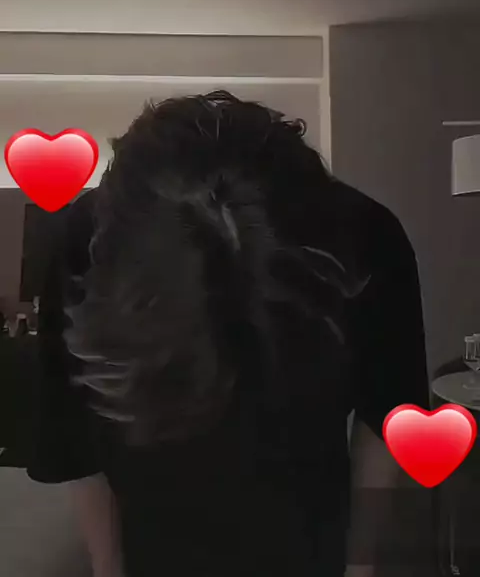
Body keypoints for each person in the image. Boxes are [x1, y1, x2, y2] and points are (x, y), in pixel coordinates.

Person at [27, 91, 428, 577]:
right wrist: (109, 567)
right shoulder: (84, 241)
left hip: (309, 543)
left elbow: (385, 414)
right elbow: (71, 435)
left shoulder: (366, 236)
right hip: (152, 549)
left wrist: (359, 565)